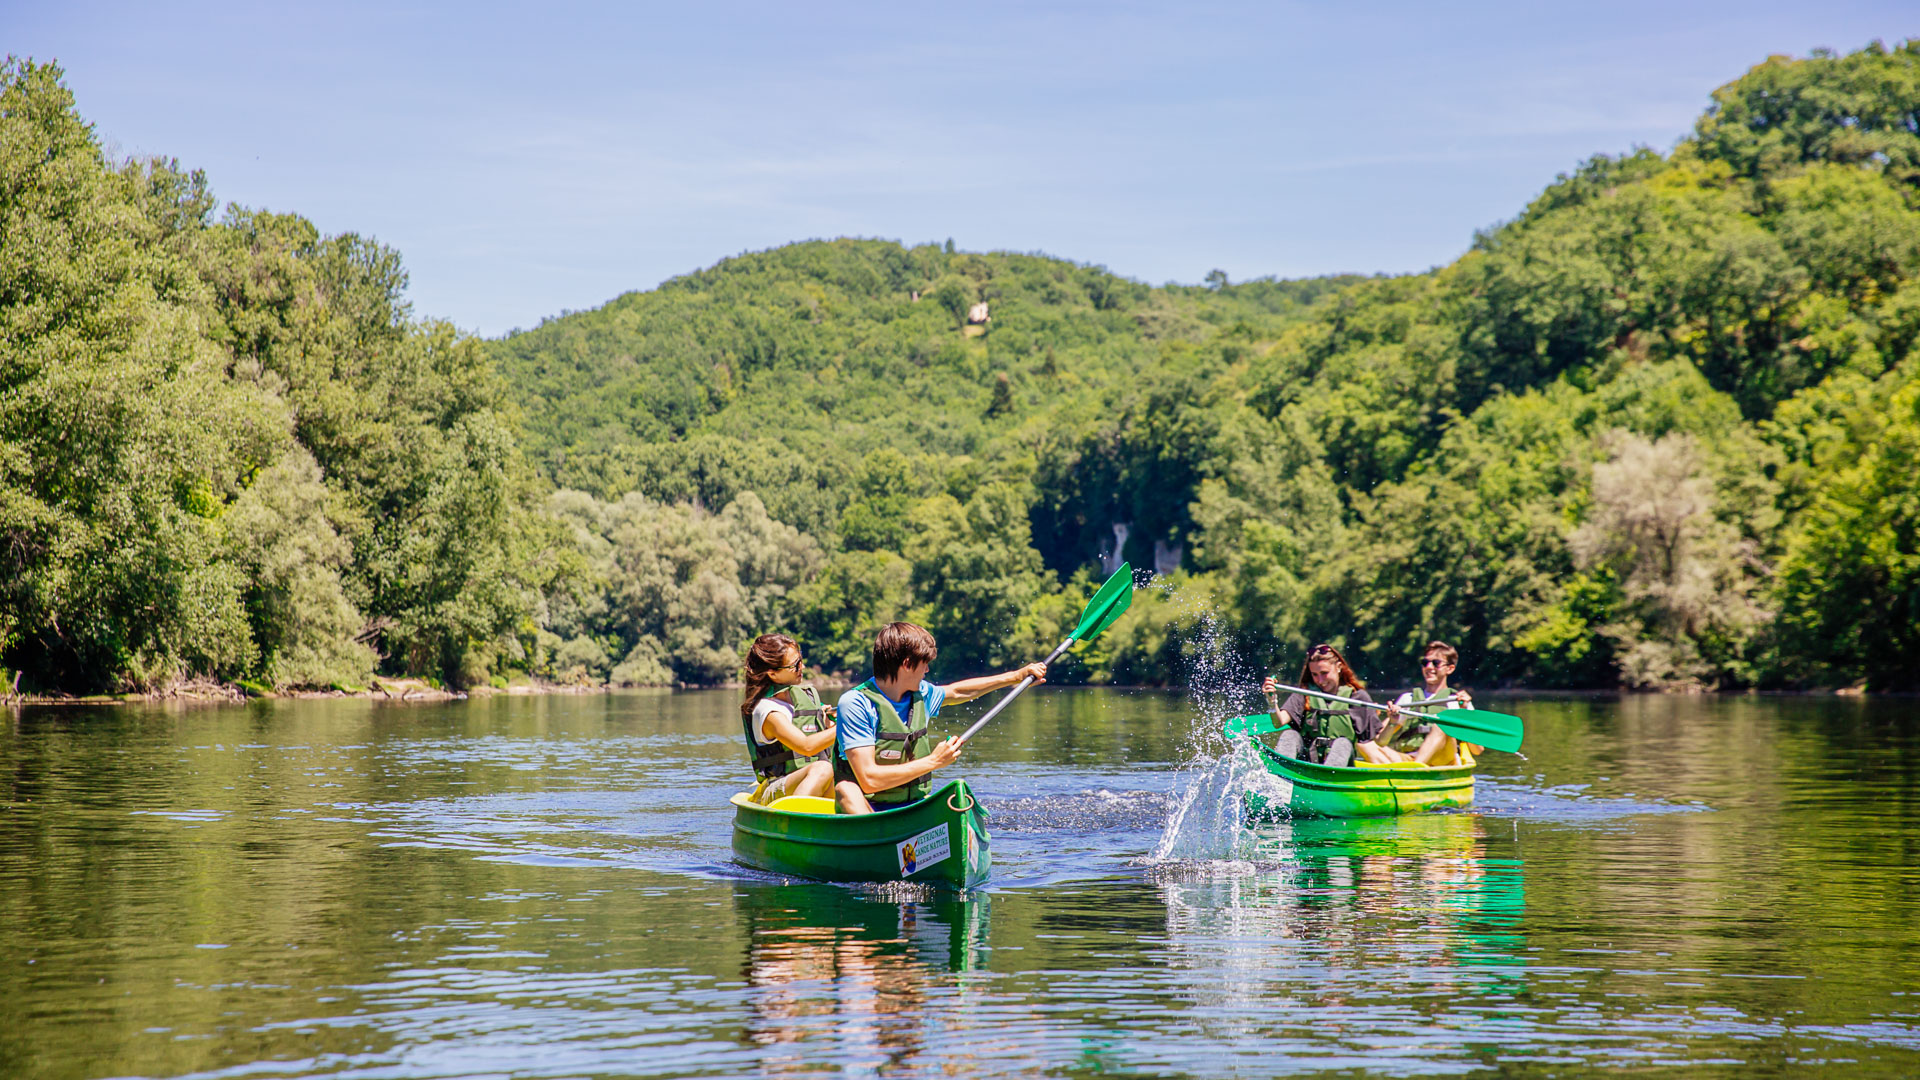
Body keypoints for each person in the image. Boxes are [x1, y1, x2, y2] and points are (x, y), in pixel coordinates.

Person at [833, 622, 1047, 814]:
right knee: (846, 790)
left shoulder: (921, 694)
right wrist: (934, 761)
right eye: (924, 664)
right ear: (907, 664)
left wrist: (1017, 677)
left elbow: (958, 692)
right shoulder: (856, 703)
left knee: (959, 796)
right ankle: (878, 846)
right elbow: (869, 780)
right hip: (868, 809)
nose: (927, 670)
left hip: (911, 805)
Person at [1260, 642, 1400, 768]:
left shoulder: (1357, 697)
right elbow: (1279, 722)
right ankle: (1281, 775)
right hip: (1307, 763)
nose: (1320, 680)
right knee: (1290, 735)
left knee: (1343, 744)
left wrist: (1393, 722)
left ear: (1338, 667)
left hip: (1340, 769)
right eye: (1315, 675)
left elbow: (1380, 742)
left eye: (1324, 673)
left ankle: (1326, 782)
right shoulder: (1305, 693)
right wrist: (1272, 703)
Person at [740, 634, 838, 805]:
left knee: (843, 774)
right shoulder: (768, 711)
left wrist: (827, 722)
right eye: (796, 665)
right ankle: (792, 822)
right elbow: (806, 746)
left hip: (813, 781)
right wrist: (847, 725)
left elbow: (827, 739)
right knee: (823, 768)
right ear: (773, 674)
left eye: (801, 660)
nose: (803, 666)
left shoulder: (802, 699)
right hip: (777, 789)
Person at [1388, 640, 1482, 766]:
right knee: (1365, 743)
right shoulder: (1407, 699)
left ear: (1450, 668)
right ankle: (1412, 768)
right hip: (1409, 758)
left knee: (1441, 725)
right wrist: (1392, 721)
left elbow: (1477, 749)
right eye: (1425, 663)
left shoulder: (1458, 702)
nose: (1429, 667)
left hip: (1444, 760)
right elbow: (1380, 740)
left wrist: (1464, 713)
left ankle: (1416, 769)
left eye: (1436, 663)